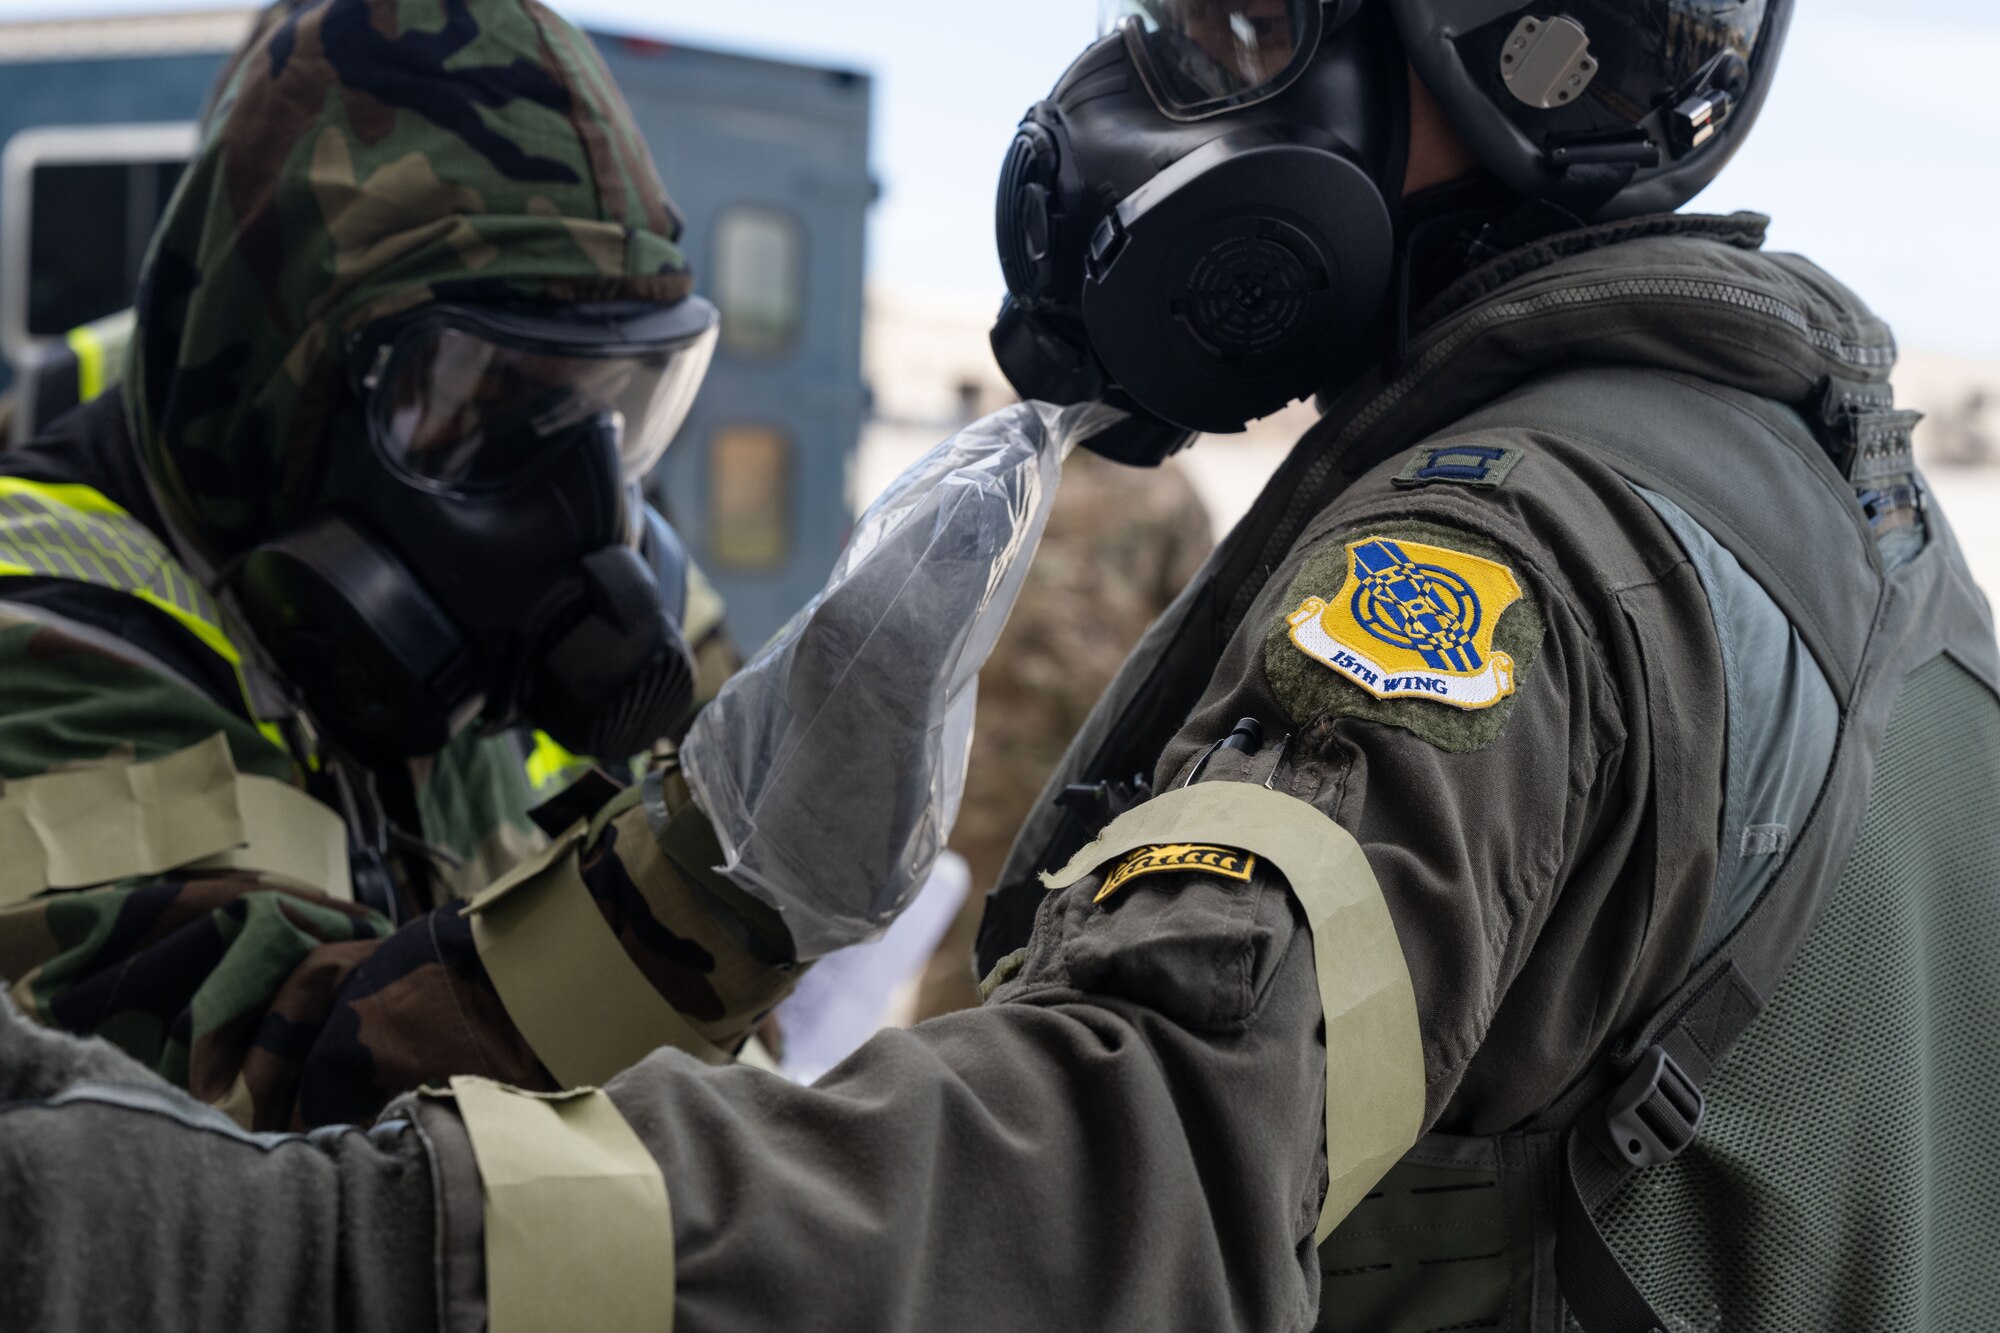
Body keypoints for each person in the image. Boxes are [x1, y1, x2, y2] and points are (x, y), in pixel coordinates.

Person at [3, 6, 1994, 1333]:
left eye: (1236, 20)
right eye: (477, 412)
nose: (1149, 83)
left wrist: (312, 1257)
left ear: (1519, 70)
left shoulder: (1487, 558)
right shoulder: (1823, 496)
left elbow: (1132, 1172)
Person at [915, 447, 1213, 1019]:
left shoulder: (1159, 488)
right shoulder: (1001, 467)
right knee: (967, 942)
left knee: (1072, 944)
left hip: (1091, 769)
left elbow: (1200, 630)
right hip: (990, 762)